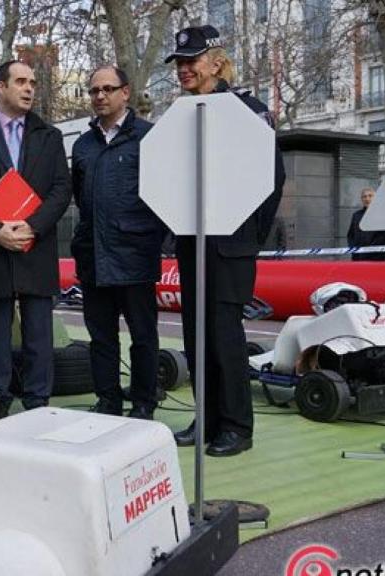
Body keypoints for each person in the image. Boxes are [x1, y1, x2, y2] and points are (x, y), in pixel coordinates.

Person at [166, 25, 285, 456]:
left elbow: (272, 179)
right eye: (179, 62)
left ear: (216, 62)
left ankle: (237, 425)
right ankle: (208, 419)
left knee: (224, 337)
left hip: (231, 245)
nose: (183, 69)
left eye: (191, 60)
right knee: (196, 336)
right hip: (192, 244)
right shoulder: (183, 115)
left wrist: (248, 236)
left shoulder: (248, 111)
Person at [0, 60, 72, 421]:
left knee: (39, 330)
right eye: (21, 81)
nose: (29, 88)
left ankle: (38, 399)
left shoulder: (49, 136)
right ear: (0, 87)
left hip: (35, 245)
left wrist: (32, 227)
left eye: (33, 82)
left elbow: (60, 189)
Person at [70, 65, 167, 420]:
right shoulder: (83, 145)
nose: (100, 96)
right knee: (102, 337)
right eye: (94, 91)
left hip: (136, 255)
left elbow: (164, 195)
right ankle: (108, 401)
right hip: (93, 255)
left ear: (125, 93)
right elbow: (82, 198)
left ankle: (143, 403)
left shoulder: (149, 137)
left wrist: (147, 236)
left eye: (108, 89)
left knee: (143, 335)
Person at [346, 187, 385, 261]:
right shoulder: (356, 215)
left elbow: (384, 236)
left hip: (376, 258)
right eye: (364, 196)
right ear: (361, 199)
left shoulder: (381, 215)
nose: (367, 199)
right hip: (358, 257)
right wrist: (353, 249)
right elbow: (351, 235)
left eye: (370, 196)